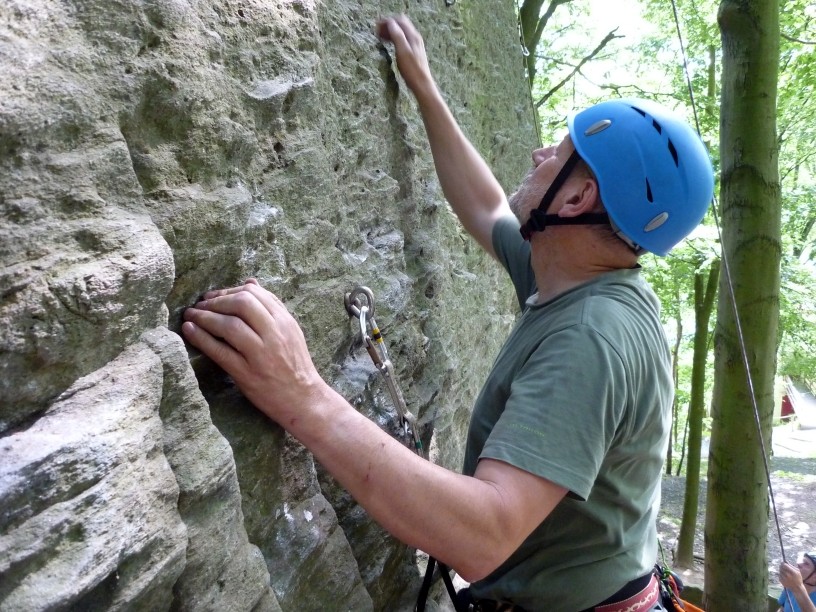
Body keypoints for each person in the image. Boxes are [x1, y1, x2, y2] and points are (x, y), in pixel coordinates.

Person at [181, 14, 713, 611]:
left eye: (557, 154)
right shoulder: (573, 273)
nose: (539, 152)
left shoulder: (592, 337)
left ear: (576, 198)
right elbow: (487, 207)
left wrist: (301, 393)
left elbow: (482, 535)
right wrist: (426, 90)